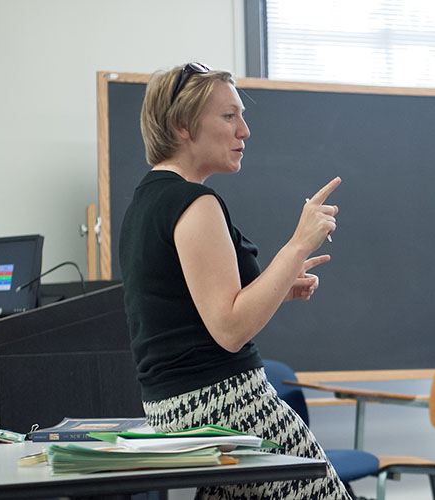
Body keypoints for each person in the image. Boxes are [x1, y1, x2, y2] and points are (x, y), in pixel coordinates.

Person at [118, 62, 348, 499]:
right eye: (229, 116)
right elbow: (229, 328)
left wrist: (279, 286)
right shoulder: (195, 203)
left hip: (175, 411)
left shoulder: (146, 202)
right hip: (228, 405)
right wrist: (296, 245)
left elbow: (190, 312)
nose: (244, 130)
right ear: (182, 124)